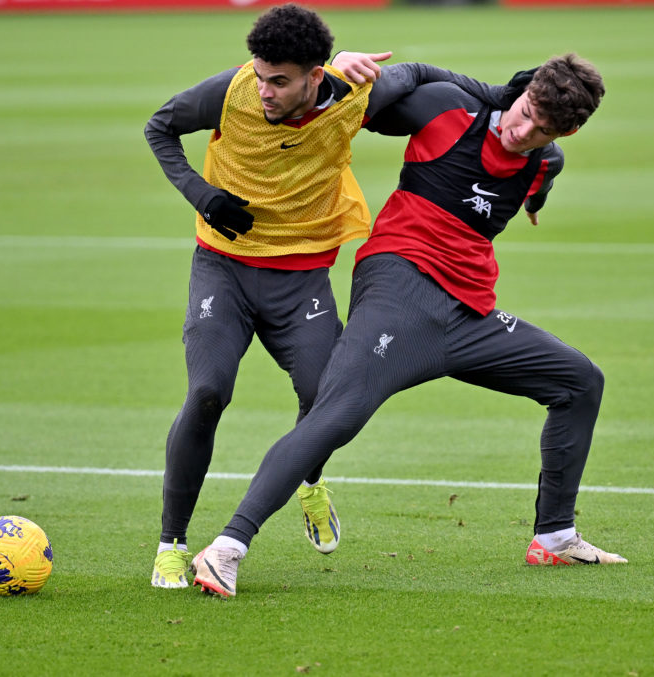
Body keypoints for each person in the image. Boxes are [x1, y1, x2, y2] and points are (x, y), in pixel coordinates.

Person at [189, 53, 626, 598]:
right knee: (337, 415)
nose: (524, 130)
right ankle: (226, 548)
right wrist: (338, 75)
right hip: (398, 285)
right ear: (524, 91)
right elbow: (345, 109)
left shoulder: (545, 161)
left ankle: (555, 536)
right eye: (525, 112)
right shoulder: (450, 111)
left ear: (569, 131)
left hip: (469, 315)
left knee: (579, 381)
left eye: (544, 129)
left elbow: (540, 176)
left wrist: (537, 199)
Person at [143, 3, 510, 590]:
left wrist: (497, 93)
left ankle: (309, 484)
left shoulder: (348, 94)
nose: (264, 90)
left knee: (324, 398)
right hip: (224, 269)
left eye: (280, 81)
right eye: (261, 75)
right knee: (209, 390)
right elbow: (159, 126)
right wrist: (201, 194)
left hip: (303, 278)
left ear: (316, 76)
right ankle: (170, 545)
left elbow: (415, 74)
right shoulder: (229, 93)